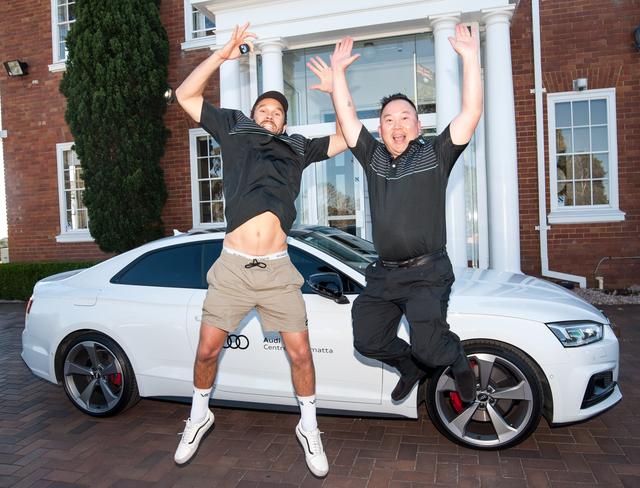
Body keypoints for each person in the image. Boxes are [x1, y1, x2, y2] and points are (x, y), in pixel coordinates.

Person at [173, 23, 347, 477]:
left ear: (284, 121)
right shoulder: (234, 127)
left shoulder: (297, 146)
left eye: (276, 111)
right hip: (231, 269)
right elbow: (184, 96)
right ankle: (198, 415)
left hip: (276, 270)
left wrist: (336, 87)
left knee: (301, 354)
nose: (269, 115)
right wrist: (221, 54)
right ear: (252, 115)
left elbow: (349, 136)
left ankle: (308, 427)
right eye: (263, 109)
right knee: (207, 351)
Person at [328, 27, 482, 404]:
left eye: (404, 117)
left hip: (427, 274)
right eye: (388, 119)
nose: (397, 124)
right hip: (384, 274)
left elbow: (471, 112)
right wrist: (338, 75)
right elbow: (348, 120)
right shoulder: (373, 157)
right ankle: (407, 366)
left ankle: (456, 358)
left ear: (418, 125)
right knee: (367, 338)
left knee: (432, 348)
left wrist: (469, 58)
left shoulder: (436, 154)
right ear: (380, 129)